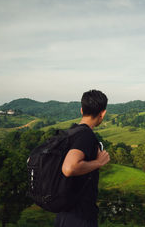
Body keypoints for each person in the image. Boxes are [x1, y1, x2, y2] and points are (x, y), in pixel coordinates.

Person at [55, 89, 110, 227]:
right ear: (102, 113)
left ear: (81, 110)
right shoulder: (86, 135)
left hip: (63, 214)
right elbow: (69, 168)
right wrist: (98, 162)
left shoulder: (70, 133)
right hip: (80, 217)